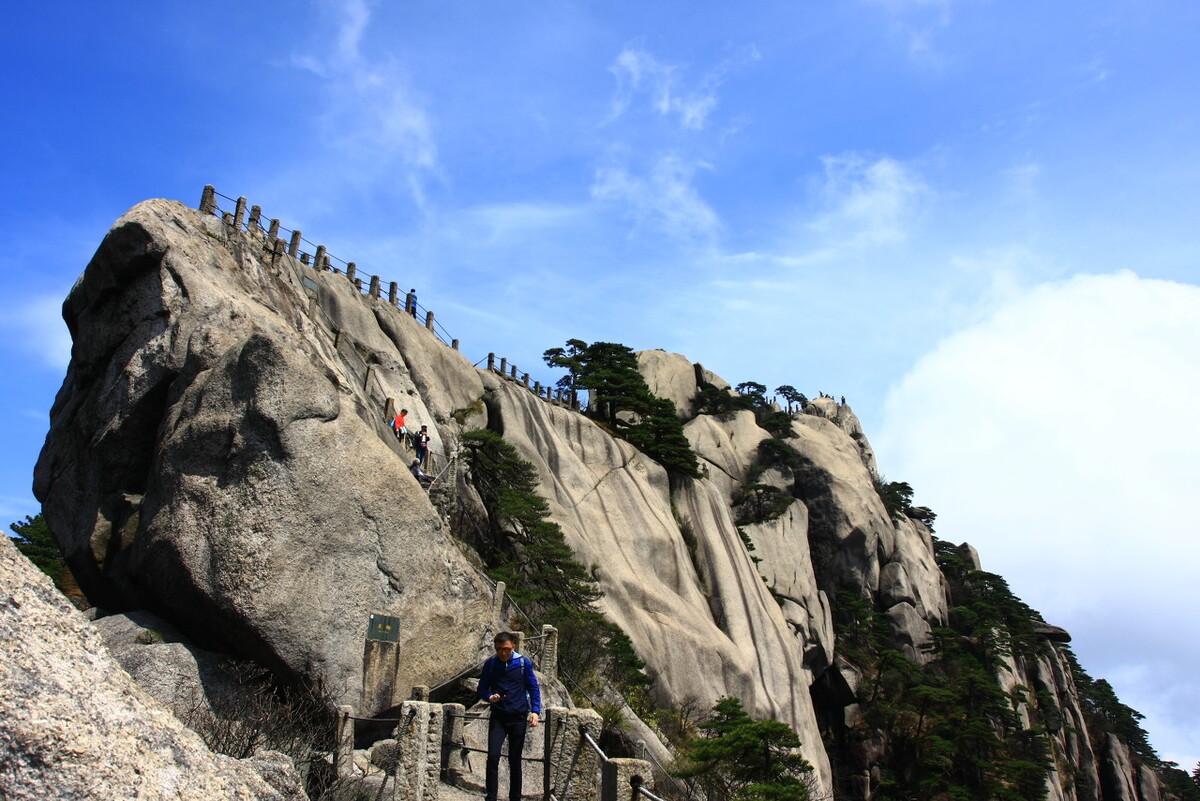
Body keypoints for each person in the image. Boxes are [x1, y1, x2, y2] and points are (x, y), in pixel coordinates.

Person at [478, 632, 541, 801]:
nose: (503, 653)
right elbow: (482, 688)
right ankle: (491, 797)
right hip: (498, 716)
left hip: (518, 716)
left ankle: (515, 797)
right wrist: (489, 696)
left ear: (513, 646)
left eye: (506, 649)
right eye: (499, 649)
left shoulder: (523, 663)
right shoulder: (491, 664)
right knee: (493, 757)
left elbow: (533, 687)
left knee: (515, 759)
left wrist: (535, 711)